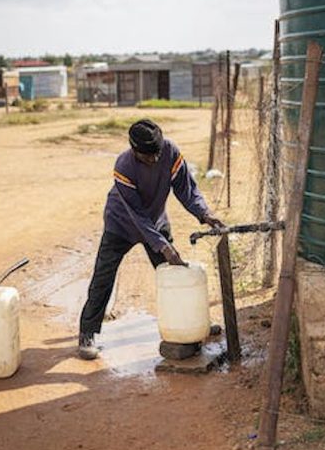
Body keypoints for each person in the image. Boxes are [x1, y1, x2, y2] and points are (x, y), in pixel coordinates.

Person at [77, 118, 223, 360]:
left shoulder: (169, 151)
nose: (155, 160)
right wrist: (163, 246)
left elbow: (186, 189)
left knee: (175, 274)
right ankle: (87, 333)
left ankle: (193, 323)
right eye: (148, 157)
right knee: (103, 277)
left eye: (157, 154)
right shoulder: (124, 166)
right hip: (121, 224)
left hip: (156, 221)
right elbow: (136, 216)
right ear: (135, 151)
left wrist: (204, 213)